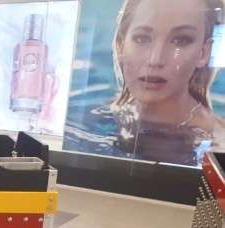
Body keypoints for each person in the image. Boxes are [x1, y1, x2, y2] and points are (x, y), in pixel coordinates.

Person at [64, 0, 225, 166]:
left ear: (204, 53)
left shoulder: (219, 144)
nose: (155, 60)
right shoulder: (83, 119)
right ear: (120, 45)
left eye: (180, 40)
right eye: (142, 38)